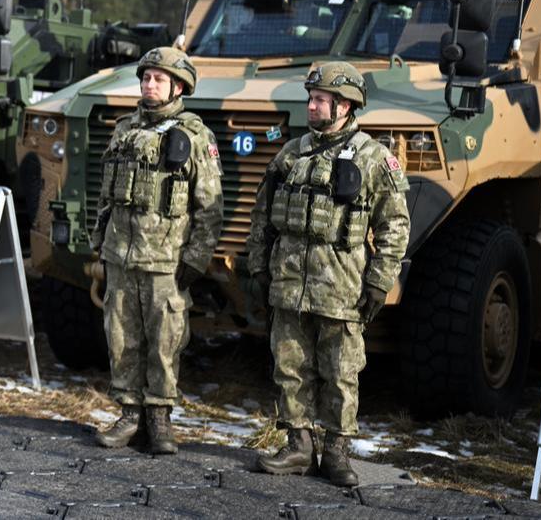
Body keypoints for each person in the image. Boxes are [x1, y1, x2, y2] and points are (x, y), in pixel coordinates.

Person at [247, 61, 409, 486]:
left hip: (342, 286)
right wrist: (258, 267)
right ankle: (299, 446)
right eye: (311, 99)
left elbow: (395, 226)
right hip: (288, 284)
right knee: (290, 366)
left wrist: (379, 281)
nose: (312, 106)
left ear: (345, 106)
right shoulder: (291, 153)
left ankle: (336, 452)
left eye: (320, 100)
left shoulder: (375, 158)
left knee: (341, 371)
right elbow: (262, 215)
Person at [90, 47, 223, 454]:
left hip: (166, 260)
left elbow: (210, 205)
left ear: (178, 86)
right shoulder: (124, 129)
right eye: (146, 78)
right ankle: (130, 414)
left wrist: (196, 259)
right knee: (121, 337)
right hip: (121, 256)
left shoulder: (196, 135)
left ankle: (160, 419)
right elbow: (106, 196)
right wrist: (99, 244)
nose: (149, 85)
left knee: (165, 342)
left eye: (159, 79)